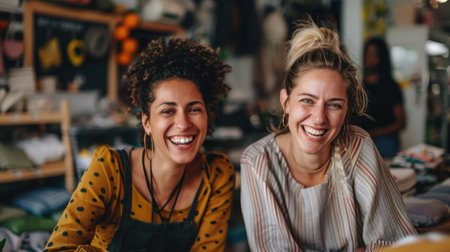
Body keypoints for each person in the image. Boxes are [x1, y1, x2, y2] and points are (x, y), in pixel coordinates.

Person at [240, 19, 416, 251]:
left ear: (347, 110)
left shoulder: (357, 146)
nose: (319, 118)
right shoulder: (258, 162)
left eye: (334, 105)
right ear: (286, 102)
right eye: (307, 101)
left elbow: (394, 243)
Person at [45, 38, 235, 252]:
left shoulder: (216, 174)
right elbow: (58, 248)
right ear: (147, 122)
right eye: (167, 111)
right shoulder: (109, 169)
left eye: (194, 109)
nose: (183, 123)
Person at [353, 37, 405, 158]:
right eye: (367, 53)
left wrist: (376, 133)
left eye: (373, 54)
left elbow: (401, 122)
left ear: (382, 57)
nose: (368, 58)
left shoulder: (391, 86)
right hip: (362, 141)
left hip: (385, 142)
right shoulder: (359, 86)